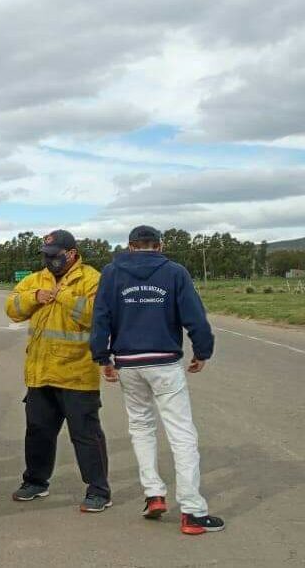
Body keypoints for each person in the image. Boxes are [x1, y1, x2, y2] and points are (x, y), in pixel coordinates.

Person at [90, 225, 224, 535]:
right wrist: (202, 351)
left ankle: (153, 494)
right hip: (164, 361)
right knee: (181, 433)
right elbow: (194, 315)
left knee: (141, 426)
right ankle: (192, 511)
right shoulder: (174, 272)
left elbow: (101, 316)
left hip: (128, 362)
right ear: (159, 245)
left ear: (130, 245)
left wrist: (102, 356)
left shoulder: (111, 273)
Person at [5, 229, 111, 513]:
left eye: (54, 256)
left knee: (85, 434)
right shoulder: (35, 279)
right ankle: (36, 481)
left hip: (77, 374)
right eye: (45, 255)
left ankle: (98, 489)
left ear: (72, 254)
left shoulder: (92, 279)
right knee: (38, 431)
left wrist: (62, 297)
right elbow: (12, 309)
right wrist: (34, 297)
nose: (49, 260)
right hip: (40, 372)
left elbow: (97, 315)